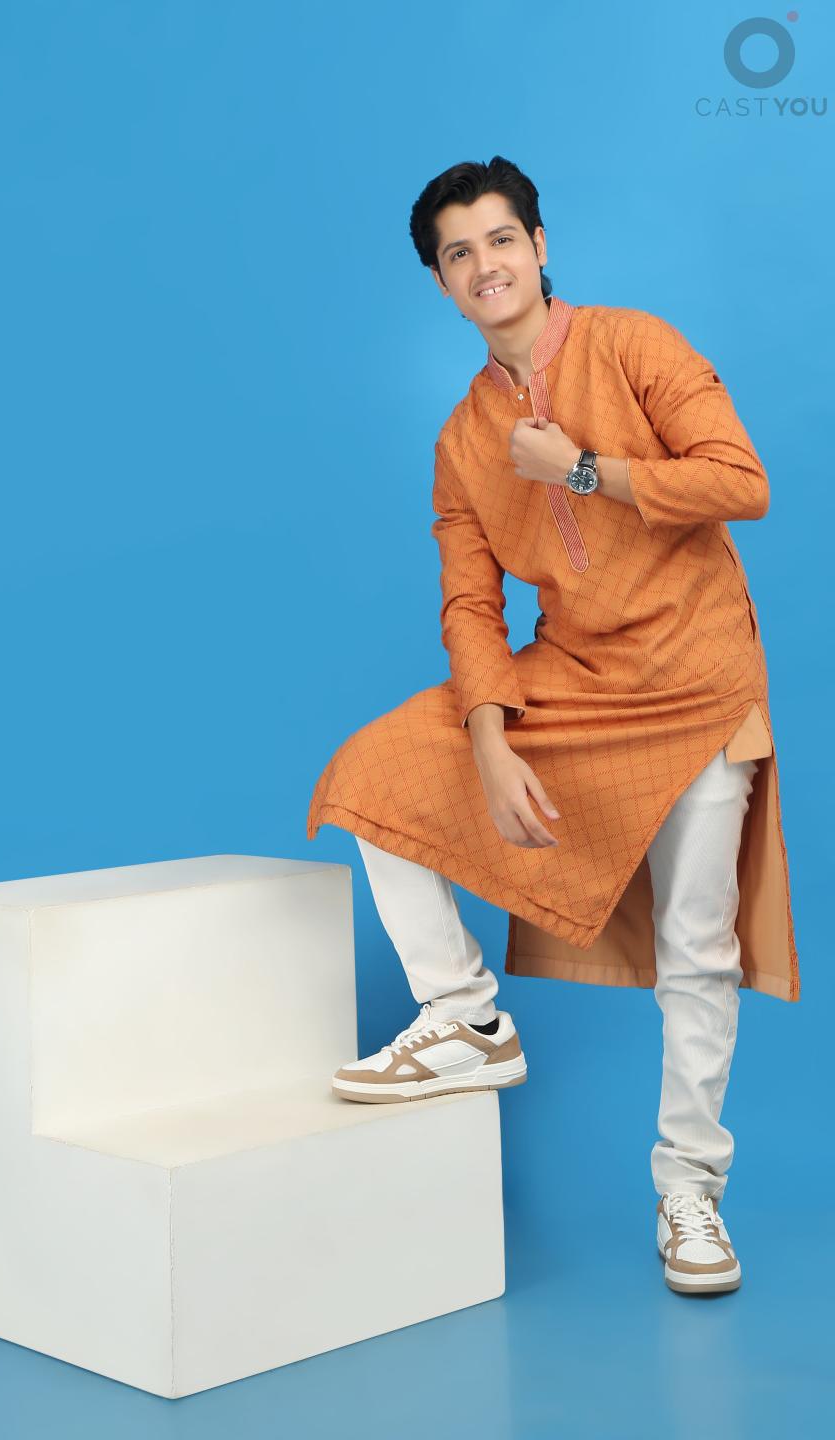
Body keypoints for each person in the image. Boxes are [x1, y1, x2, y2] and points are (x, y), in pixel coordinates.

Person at [306, 156, 800, 1296]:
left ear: (539, 247)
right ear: (442, 284)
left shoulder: (634, 346)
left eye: (500, 240)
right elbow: (469, 605)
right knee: (374, 774)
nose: (485, 265)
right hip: (574, 676)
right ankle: (465, 1015)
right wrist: (488, 736)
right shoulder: (461, 441)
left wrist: (583, 470)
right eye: (458, 254)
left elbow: (742, 481)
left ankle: (689, 1191)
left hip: (698, 679)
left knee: (698, 944)